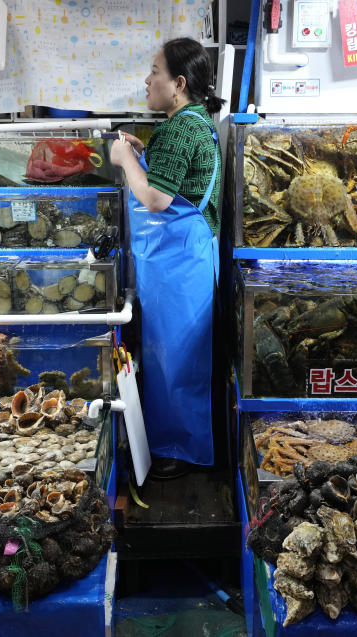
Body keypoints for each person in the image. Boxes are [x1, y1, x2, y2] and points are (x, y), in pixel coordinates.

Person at [110, 38, 225, 474]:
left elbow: (156, 199)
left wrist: (124, 159)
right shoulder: (196, 122)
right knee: (172, 356)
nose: (147, 79)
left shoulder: (180, 127)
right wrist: (143, 154)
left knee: (176, 358)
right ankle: (177, 443)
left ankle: (180, 450)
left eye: (154, 71)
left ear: (177, 83)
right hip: (182, 260)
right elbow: (171, 180)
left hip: (180, 265)